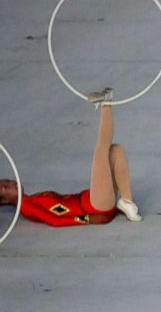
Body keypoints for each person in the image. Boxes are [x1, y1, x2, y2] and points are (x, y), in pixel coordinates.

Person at [0, 90, 142, 225]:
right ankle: (105, 104)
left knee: (115, 150)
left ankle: (127, 203)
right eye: (5, 187)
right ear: (4, 201)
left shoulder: (32, 199)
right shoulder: (26, 207)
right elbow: (54, 220)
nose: (12, 183)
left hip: (93, 199)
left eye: (7, 181)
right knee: (101, 151)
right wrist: (89, 219)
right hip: (94, 207)